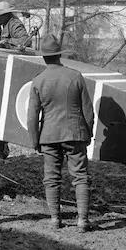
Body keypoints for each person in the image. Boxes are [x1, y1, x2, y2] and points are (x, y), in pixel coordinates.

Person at [27, 34, 95, 233]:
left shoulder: (38, 81)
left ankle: (55, 219)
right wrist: (88, 133)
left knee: (51, 178)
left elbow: (32, 116)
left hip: (48, 135)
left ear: (43, 57)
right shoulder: (75, 76)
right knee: (81, 177)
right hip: (75, 133)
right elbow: (88, 111)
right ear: (59, 55)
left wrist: (34, 141)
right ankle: (83, 221)